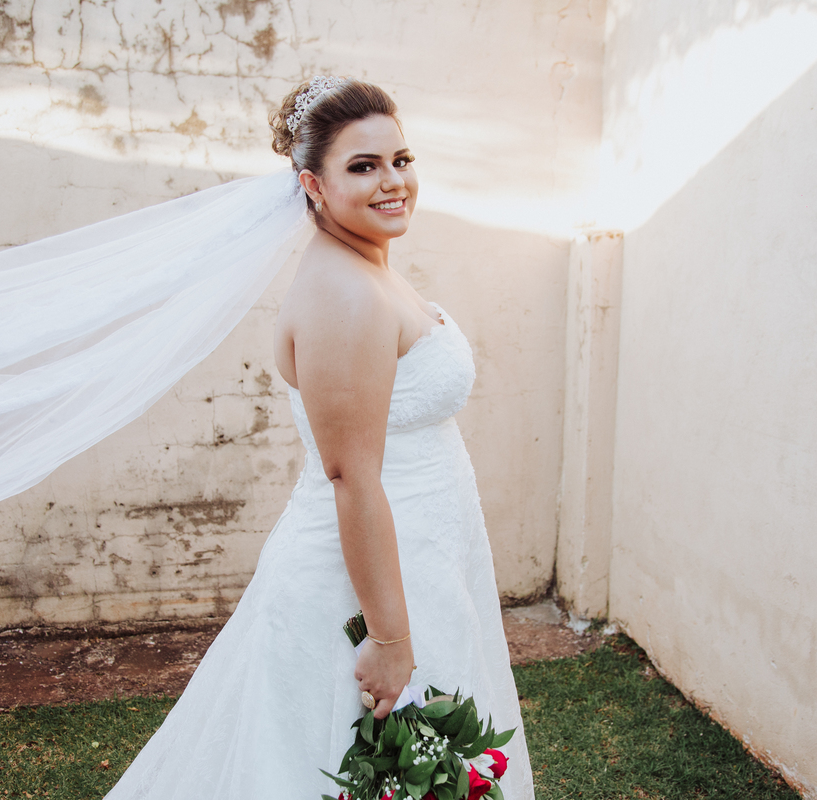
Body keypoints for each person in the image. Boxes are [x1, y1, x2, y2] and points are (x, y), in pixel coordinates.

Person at [102, 78, 534, 798]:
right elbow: (351, 477)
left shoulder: (370, 266)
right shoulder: (343, 293)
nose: (393, 181)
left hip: (423, 559)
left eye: (401, 159)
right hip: (366, 590)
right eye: (363, 167)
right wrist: (389, 641)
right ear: (313, 184)